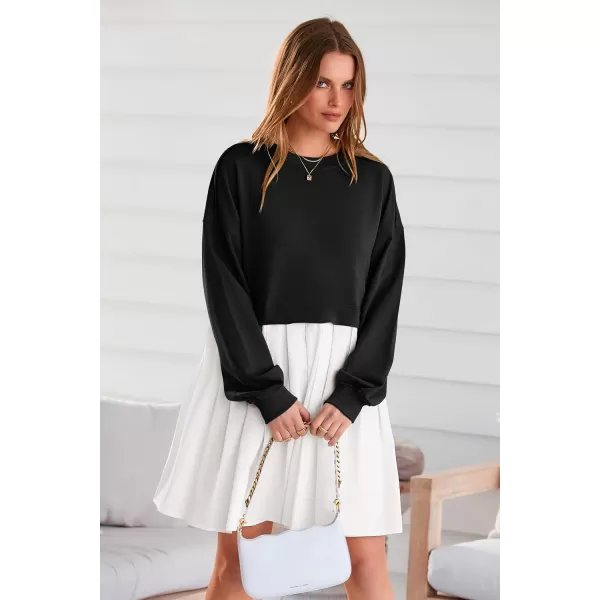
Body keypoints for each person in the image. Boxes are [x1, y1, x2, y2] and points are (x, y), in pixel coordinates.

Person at [153, 17, 406, 600]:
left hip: (343, 385)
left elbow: (385, 293)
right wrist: (266, 391)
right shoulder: (241, 169)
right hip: (256, 376)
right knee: (240, 564)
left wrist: (355, 391)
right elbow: (224, 285)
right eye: (322, 83)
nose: (337, 100)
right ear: (293, 81)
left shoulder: (372, 181)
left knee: (365, 560)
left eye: (348, 85)